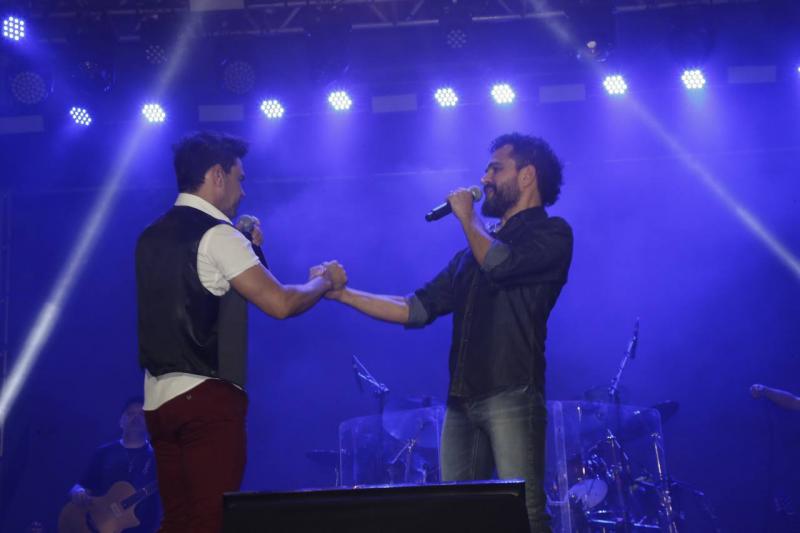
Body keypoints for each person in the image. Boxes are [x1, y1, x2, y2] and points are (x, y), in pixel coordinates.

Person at [321, 133, 573, 532]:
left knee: (525, 512)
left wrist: (468, 218)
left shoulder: (552, 234)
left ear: (527, 176)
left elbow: (501, 265)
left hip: (512, 392)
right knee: (459, 515)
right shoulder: (471, 254)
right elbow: (414, 308)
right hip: (461, 401)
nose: (484, 178)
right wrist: (343, 294)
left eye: (495, 169)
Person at [135, 131, 345, 533]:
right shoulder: (218, 235)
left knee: (178, 521)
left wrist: (251, 249)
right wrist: (324, 281)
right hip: (207, 399)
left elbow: (207, 292)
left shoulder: (150, 236)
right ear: (218, 175)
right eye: (240, 178)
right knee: (211, 521)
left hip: (158, 403)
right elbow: (280, 303)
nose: (244, 192)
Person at [68, 396, 159, 533]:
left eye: (142, 414)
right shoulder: (104, 452)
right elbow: (80, 485)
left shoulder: (160, 458)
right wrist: (78, 492)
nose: (136, 417)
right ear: (121, 421)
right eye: (130, 413)